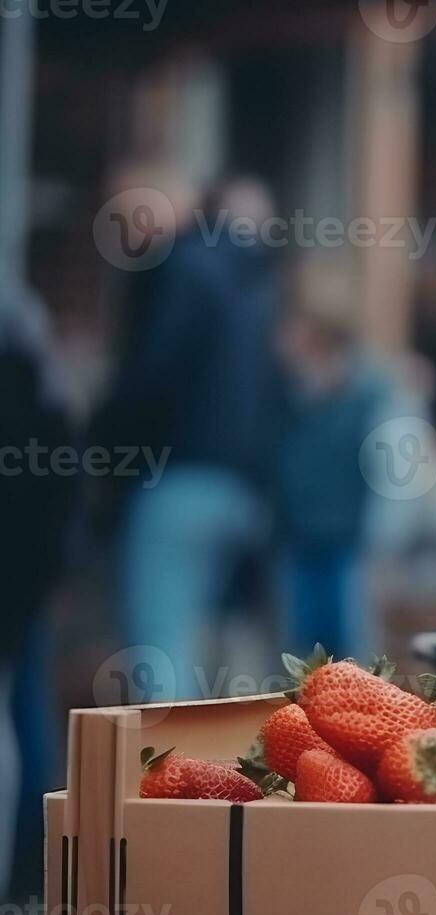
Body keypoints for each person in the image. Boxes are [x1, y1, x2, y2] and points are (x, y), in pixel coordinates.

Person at [93, 173, 284, 700]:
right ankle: (214, 777)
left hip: (178, 481)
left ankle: (161, 780)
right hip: (243, 486)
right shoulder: (251, 280)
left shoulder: (181, 266)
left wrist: (102, 454)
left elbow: (150, 379)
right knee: (224, 662)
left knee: (161, 658)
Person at [0, 287, 76, 906]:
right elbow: (61, 509)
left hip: (17, 585)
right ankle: (31, 867)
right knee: (27, 719)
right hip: (29, 588)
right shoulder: (50, 402)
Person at [275, 267, 394, 654]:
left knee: (351, 656)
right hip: (296, 541)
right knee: (299, 658)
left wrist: (382, 542)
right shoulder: (285, 391)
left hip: (350, 547)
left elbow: (393, 474)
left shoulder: (371, 390)